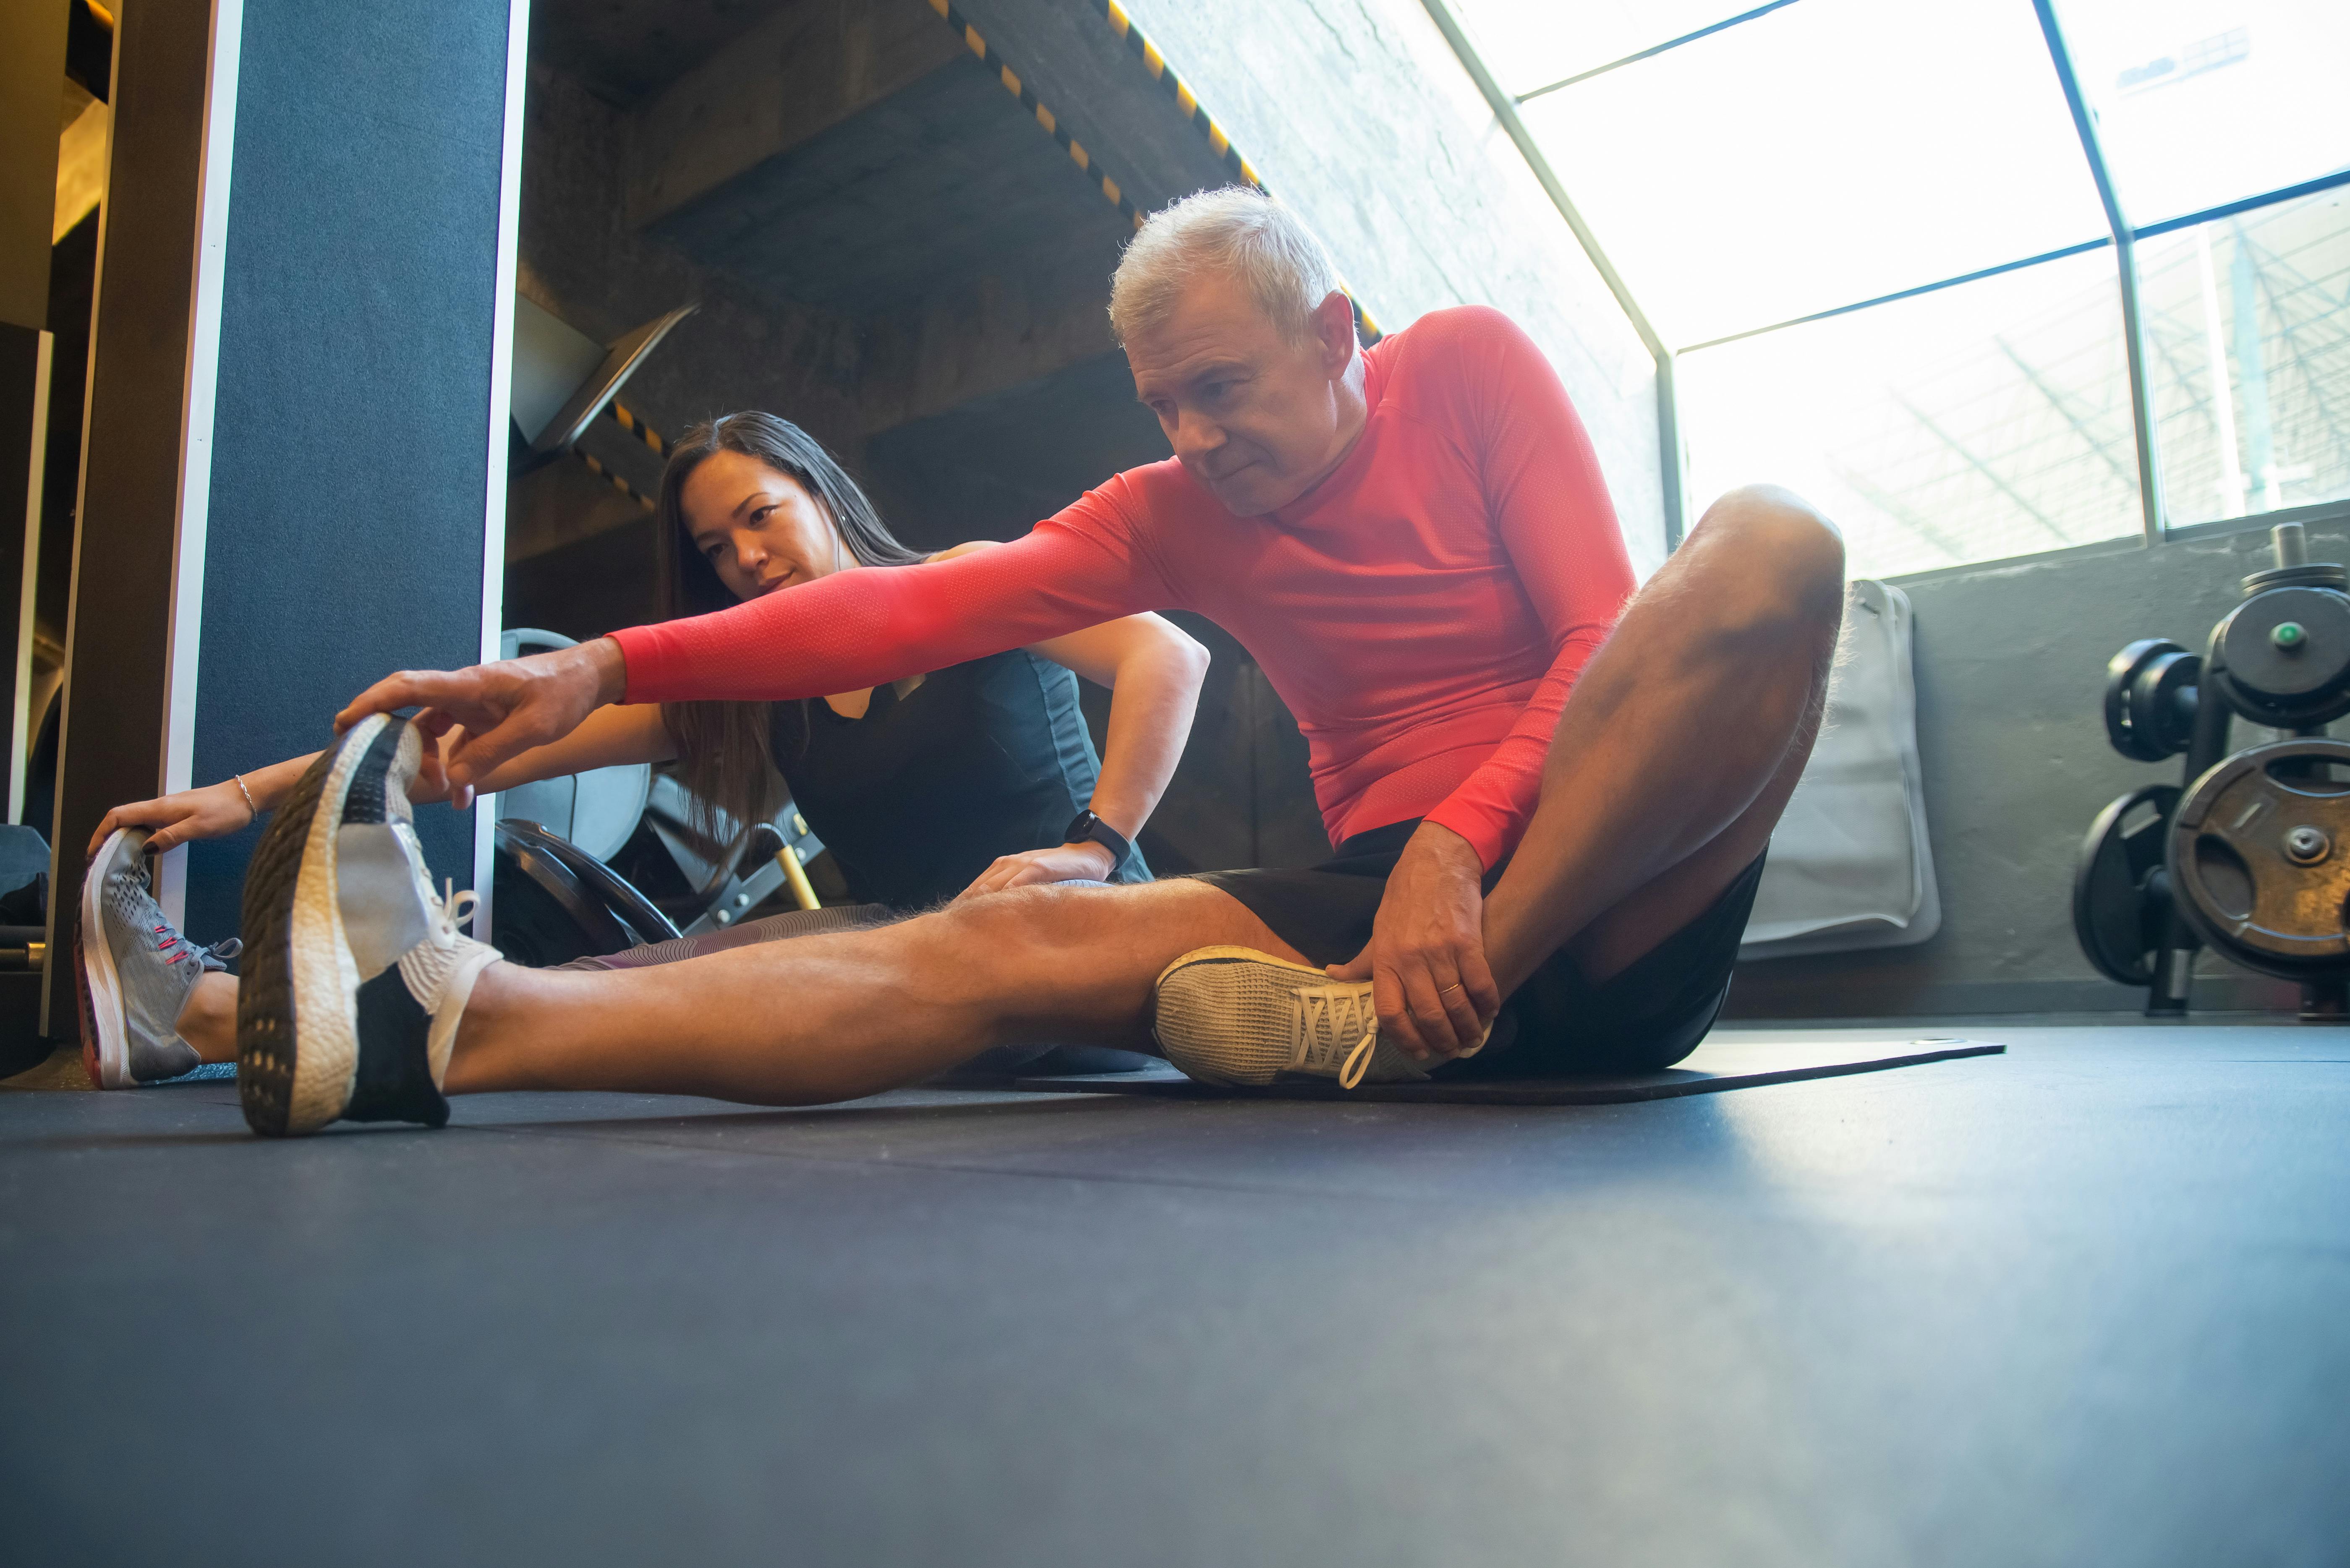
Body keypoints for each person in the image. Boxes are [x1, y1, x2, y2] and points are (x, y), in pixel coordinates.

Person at [227, 185, 1846, 1137]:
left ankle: (1406, 1017)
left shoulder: (1471, 371)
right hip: (1362, 919)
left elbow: (1595, 639)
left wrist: (1457, 850)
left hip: (1601, 899)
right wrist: (601, 663)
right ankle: (444, 1025)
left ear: (1337, 332)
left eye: (1222, 388)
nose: (1195, 438)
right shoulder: (1168, 512)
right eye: (1164, 405)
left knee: (1776, 542)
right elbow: (899, 606)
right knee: (985, 951)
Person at [75, 413, 1208, 1089]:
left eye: (762, 514)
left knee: (659, 985)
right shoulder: (754, 687)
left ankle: (203, 1013)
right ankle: (227, 1011)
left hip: (1080, 969)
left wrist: (1098, 846)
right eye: (717, 549)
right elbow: (477, 754)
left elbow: (1170, 658)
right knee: (606, 985)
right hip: (911, 988)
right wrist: (245, 795)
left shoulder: (969, 581)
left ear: (819, 486)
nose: (746, 558)